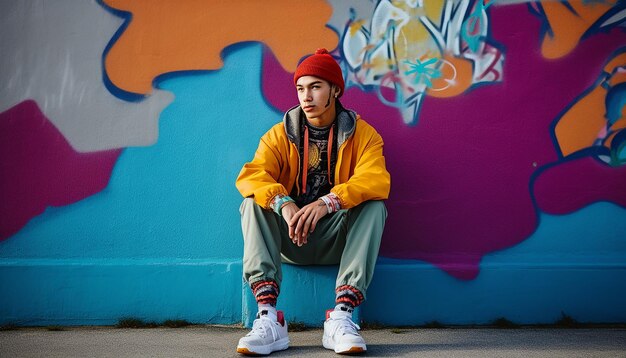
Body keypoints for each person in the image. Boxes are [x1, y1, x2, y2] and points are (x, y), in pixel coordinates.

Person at [235, 48, 391, 355]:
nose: (306, 96)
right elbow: (252, 175)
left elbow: (376, 179)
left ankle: (341, 317)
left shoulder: (365, 135)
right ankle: (268, 318)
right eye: (300, 88)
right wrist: (283, 202)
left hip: (337, 236)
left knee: (374, 206)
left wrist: (329, 202)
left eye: (316, 87)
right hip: (290, 237)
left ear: (335, 89)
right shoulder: (280, 135)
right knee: (253, 203)